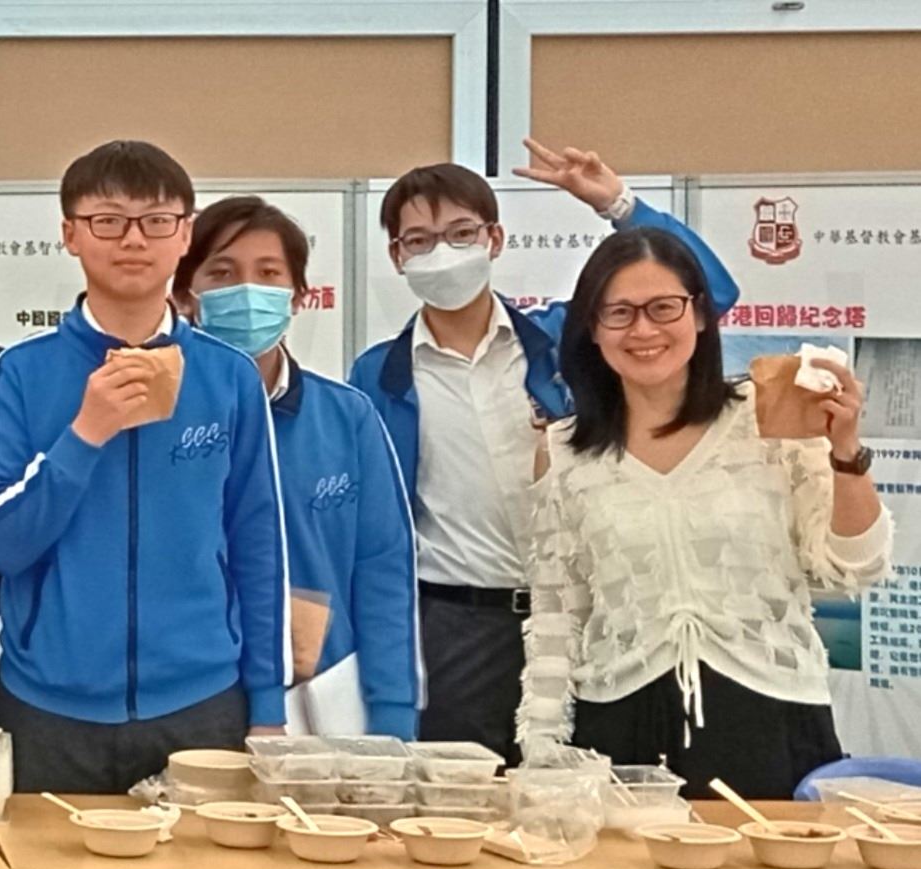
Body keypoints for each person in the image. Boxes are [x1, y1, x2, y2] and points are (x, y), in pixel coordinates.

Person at [0, 141, 286, 869]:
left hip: (200, 710)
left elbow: (257, 550)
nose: (132, 240)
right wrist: (87, 429)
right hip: (50, 714)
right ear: (69, 234)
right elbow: (1, 542)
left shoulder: (227, 377)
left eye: (155, 220)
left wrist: (266, 709)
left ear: (184, 236)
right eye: (107, 221)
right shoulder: (25, 372)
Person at [347, 139, 743, 764]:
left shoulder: (560, 341)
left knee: (597, 787)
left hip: (594, 613)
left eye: (461, 233)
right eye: (419, 240)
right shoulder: (378, 377)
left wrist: (619, 204)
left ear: (495, 240)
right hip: (458, 628)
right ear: (398, 256)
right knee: (468, 798)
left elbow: (709, 295)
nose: (442, 252)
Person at [522, 229, 889, 797]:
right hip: (618, 722)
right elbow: (555, 614)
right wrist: (542, 750)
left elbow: (855, 567)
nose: (643, 330)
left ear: (698, 314)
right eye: (619, 312)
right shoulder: (564, 450)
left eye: (663, 307)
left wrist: (845, 452)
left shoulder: (768, 420)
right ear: (592, 328)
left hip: (770, 716)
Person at [175, 196, 419, 738]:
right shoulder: (157, 416)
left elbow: (382, 569)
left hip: (323, 698)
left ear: (299, 295)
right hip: (190, 698)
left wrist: (393, 712)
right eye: (222, 273)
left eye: (268, 274)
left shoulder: (348, 417)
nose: (247, 291)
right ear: (185, 296)